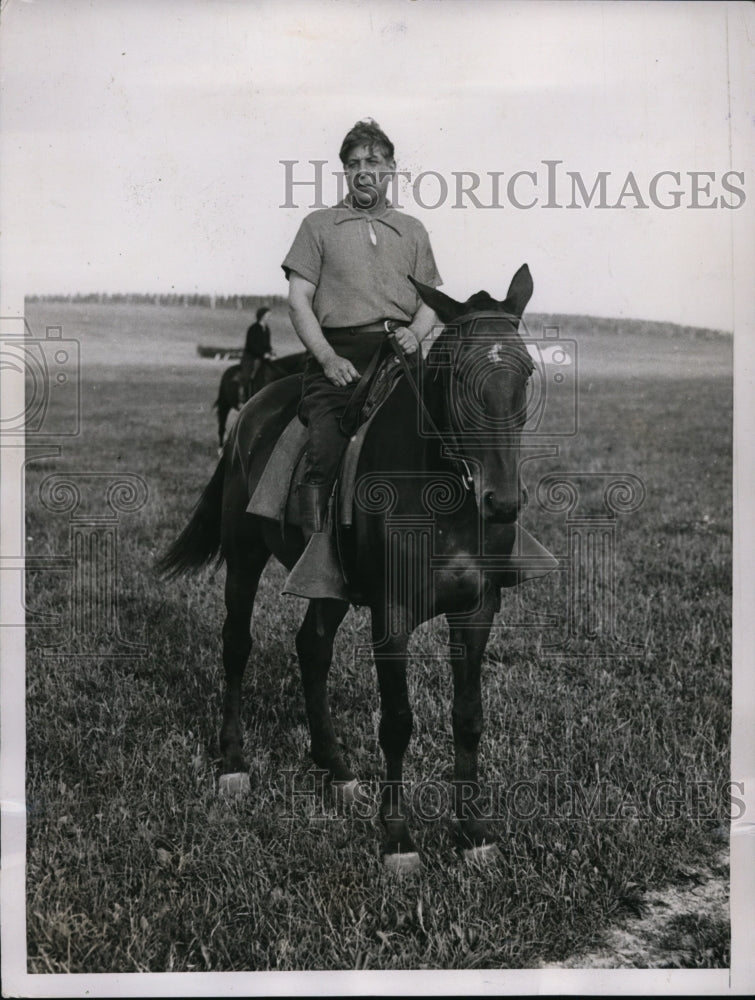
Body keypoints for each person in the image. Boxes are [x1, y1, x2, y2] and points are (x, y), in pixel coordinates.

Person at [280, 118, 442, 598]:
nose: (363, 171)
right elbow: (297, 300)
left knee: (459, 430)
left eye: (373, 162)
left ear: (392, 169)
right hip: (341, 356)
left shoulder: (412, 230)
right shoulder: (318, 226)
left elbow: (431, 299)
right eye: (353, 164)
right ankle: (318, 560)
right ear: (344, 173)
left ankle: (480, 541)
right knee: (327, 443)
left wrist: (416, 331)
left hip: (401, 352)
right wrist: (327, 358)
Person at [237, 305, 272, 405]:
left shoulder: (267, 328)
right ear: (262, 316)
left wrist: (270, 352)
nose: (269, 317)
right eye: (268, 315)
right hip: (250, 357)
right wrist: (263, 354)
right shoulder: (253, 328)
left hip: (263, 357)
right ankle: (242, 399)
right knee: (247, 376)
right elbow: (251, 345)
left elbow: (267, 344)